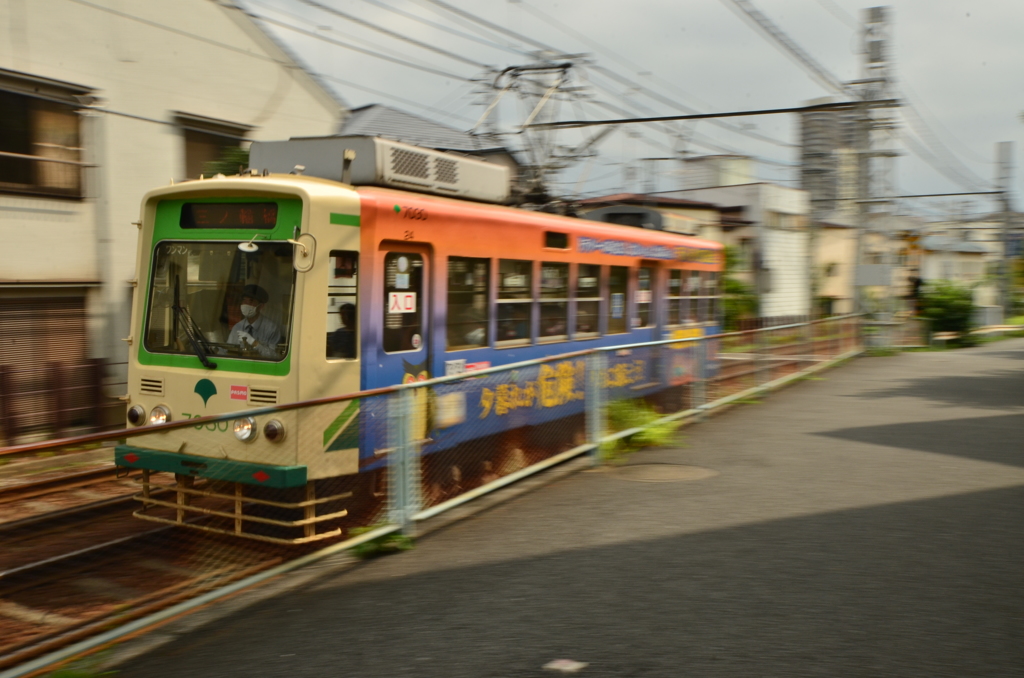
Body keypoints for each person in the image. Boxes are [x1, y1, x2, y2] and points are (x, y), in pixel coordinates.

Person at [227, 284, 282, 358]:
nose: (246, 304)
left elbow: (276, 357)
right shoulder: (237, 327)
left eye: (251, 301)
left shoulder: (271, 329)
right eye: (244, 300)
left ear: (261, 306)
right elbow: (226, 352)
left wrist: (255, 343)